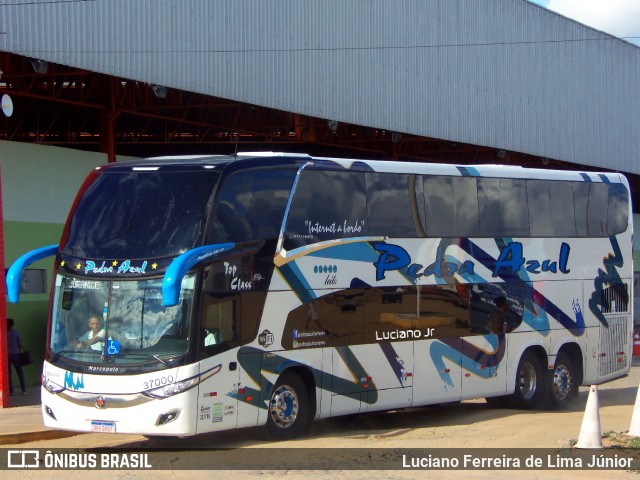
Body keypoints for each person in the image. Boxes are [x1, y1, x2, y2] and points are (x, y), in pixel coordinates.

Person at [7, 318, 27, 395]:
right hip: (16, 354)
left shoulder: (5, 333)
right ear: (13, 325)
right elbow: (20, 343)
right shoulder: (16, 333)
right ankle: (23, 390)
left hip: (7, 354)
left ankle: (11, 391)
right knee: (20, 372)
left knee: (8, 374)